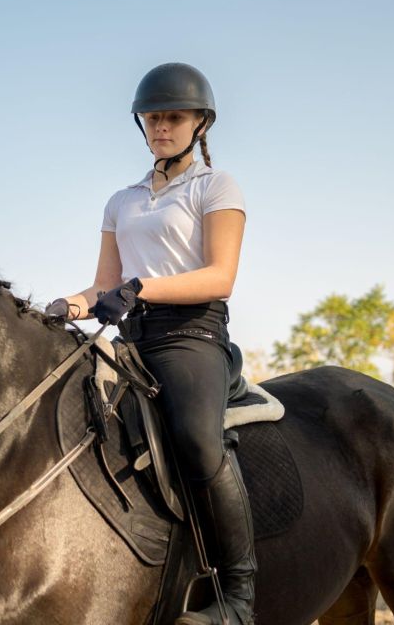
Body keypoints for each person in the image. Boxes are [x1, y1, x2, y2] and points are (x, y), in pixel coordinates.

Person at [46, 63, 255, 625]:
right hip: (132, 336)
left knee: (196, 441)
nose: (161, 126)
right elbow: (102, 283)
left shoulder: (216, 186)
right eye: (153, 117)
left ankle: (237, 597)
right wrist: (69, 304)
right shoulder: (122, 199)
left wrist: (139, 289)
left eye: (174, 117)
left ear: (199, 124)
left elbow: (220, 276)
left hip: (191, 336)